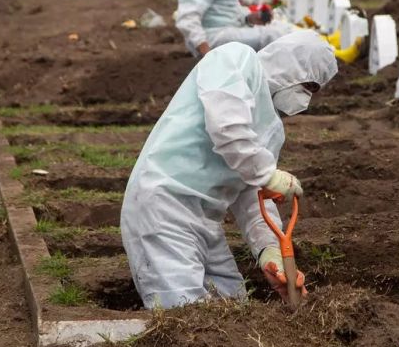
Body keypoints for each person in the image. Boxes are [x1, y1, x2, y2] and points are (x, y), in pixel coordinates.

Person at [121, 30, 338, 308]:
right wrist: (267, 174)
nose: (305, 101)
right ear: (290, 66)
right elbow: (227, 128)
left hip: (204, 222)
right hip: (162, 206)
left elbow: (253, 195)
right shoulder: (235, 59)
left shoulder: (271, 131)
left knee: (234, 311)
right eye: (308, 86)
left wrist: (269, 251)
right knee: (185, 318)